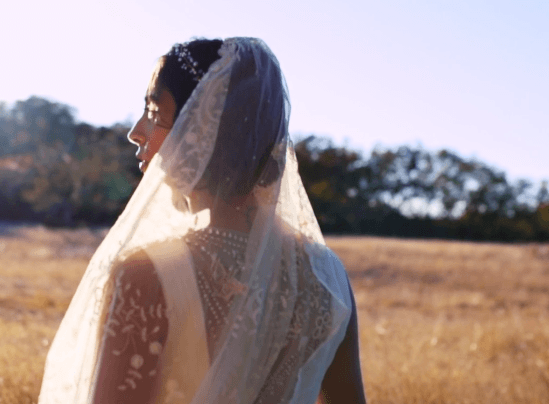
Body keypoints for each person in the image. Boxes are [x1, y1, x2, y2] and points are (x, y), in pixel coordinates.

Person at [39, 37, 365, 404]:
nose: (135, 132)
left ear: (202, 129)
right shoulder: (328, 277)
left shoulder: (147, 275)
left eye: (154, 112)